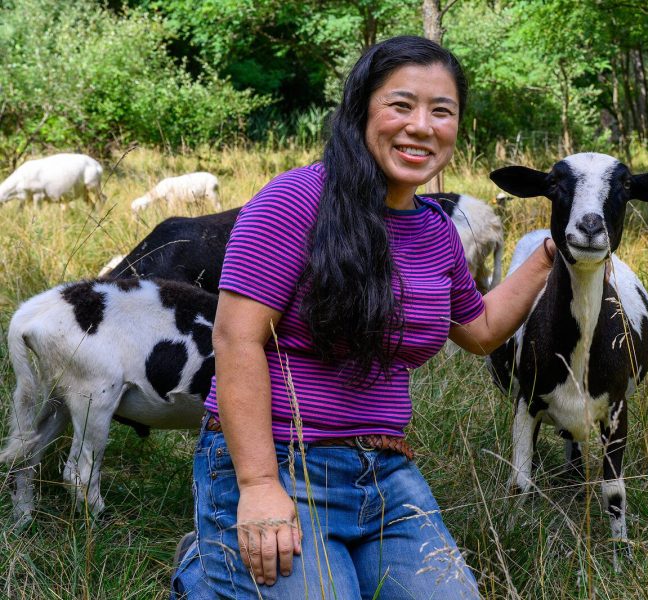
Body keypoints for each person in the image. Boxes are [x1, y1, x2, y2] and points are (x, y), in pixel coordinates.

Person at [171, 35, 555, 599]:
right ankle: (204, 572)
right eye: (401, 105)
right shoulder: (294, 200)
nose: (421, 126)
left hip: (385, 472)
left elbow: (480, 331)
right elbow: (236, 340)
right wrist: (257, 484)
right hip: (278, 460)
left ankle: (221, 564)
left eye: (441, 111)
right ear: (361, 110)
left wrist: (550, 255)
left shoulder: (435, 231)